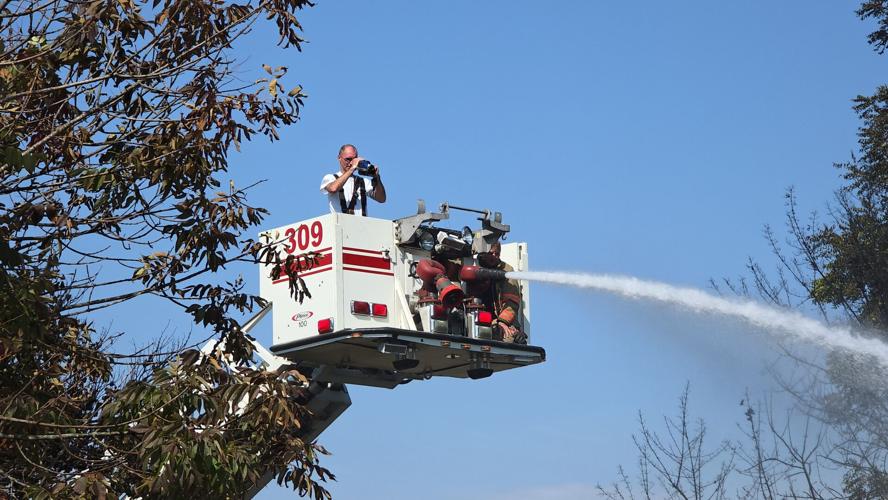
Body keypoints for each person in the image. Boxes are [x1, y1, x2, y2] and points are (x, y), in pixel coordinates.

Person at [476, 242, 527, 344]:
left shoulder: (506, 270)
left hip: (498, 320)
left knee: (510, 339)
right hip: (477, 319)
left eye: (497, 254)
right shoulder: (473, 266)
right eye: (492, 253)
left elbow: (512, 302)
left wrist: (502, 322)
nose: (495, 257)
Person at [320, 144, 386, 216]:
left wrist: (376, 177)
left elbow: (381, 199)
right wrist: (352, 168)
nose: (351, 163)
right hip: (340, 224)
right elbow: (333, 188)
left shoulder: (362, 181)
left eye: (354, 159)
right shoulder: (330, 177)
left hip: (361, 225)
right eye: (348, 159)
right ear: (339, 158)